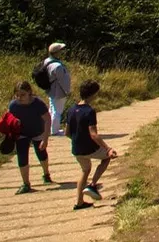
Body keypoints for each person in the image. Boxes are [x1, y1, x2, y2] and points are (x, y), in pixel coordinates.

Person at [68, 80, 117, 211]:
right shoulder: (89, 111)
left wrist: (77, 139)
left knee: (85, 170)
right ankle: (93, 185)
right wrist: (108, 148)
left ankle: (79, 202)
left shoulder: (71, 110)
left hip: (76, 148)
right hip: (88, 147)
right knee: (106, 157)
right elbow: (93, 134)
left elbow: (67, 132)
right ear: (93, 94)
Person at [9, 82, 52, 194]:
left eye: (22, 95)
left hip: (37, 132)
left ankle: (46, 173)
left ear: (29, 93)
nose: (19, 98)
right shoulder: (13, 105)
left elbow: (47, 119)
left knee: (41, 154)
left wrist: (45, 139)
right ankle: (26, 184)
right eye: (17, 95)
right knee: (22, 156)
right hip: (22, 133)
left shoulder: (38, 104)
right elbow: (10, 120)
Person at [43, 43, 71, 136]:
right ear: (56, 52)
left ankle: (51, 128)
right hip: (58, 90)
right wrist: (67, 90)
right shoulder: (57, 66)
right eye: (60, 50)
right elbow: (62, 80)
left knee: (52, 109)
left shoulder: (46, 61)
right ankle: (55, 131)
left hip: (51, 89)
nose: (61, 52)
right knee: (57, 111)